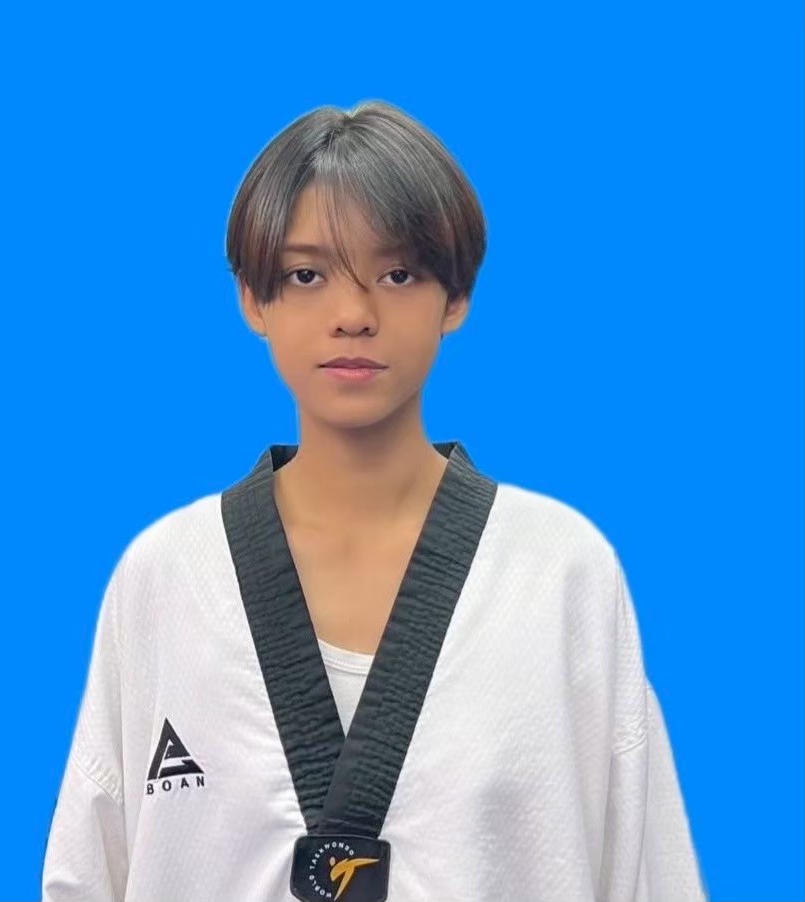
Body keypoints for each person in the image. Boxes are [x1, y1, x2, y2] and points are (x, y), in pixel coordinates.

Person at [41, 100, 708, 902]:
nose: (353, 317)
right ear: (253, 299)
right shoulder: (165, 577)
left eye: (398, 275)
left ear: (455, 298)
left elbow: (648, 877)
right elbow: (85, 878)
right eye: (307, 275)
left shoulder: (560, 573)